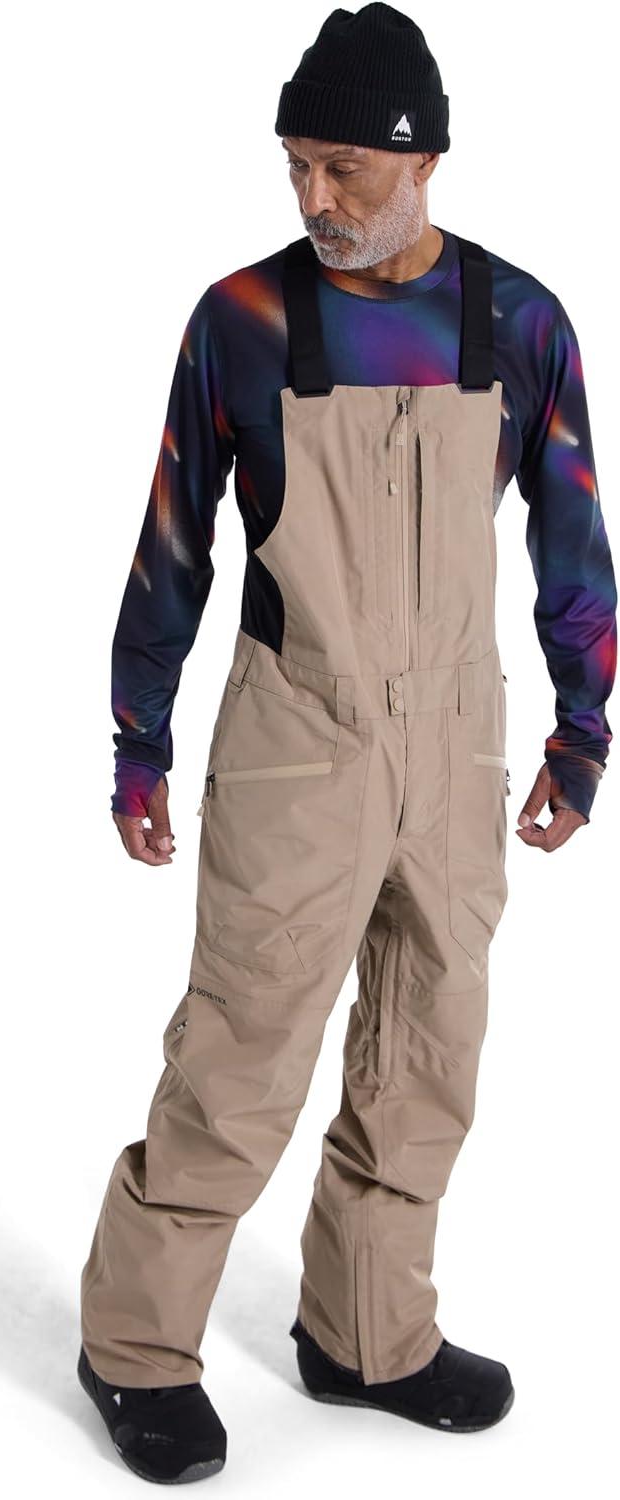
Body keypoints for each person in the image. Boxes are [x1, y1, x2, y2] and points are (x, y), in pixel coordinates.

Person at [77, 3, 617, 1483]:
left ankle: (367, 1336)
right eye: (294, 167)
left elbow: (572, 539)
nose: (314, 198)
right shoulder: (242, 321)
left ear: (423, 157)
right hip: (295, 735)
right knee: (242, 1050)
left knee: (426, 1051)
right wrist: (137, 742)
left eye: (343, 169)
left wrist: (582, 733)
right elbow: (172, 544)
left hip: (454, 739)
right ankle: (134, 1348)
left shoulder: (519, 322)